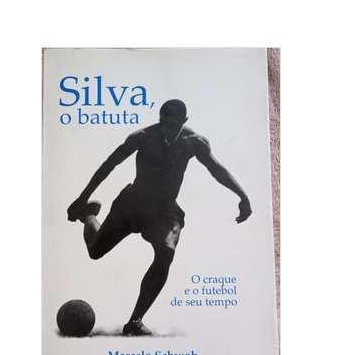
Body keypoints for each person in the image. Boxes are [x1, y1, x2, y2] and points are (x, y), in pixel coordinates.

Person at [67, 99, 252, 336]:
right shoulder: (142, 137)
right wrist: (82, 198)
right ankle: (89, 215)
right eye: (164, 123)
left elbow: (216, 169)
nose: (167, 130)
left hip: (164, 211)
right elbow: (109, 165)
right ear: (160, 118)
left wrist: (242, 195)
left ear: (184, 121)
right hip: (132, 204)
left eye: (173, 125)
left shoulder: (194, 142)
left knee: (166, 251)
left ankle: (135, 321)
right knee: (95, 252)